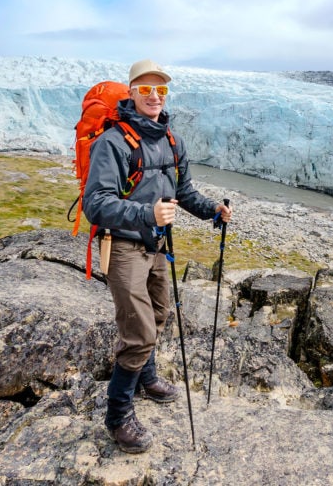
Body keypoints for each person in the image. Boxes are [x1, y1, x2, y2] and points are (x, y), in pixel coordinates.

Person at [83, 58, 232, 453]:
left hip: (157, 246)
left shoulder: (172, 140)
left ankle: (146, 378)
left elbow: (184, 193)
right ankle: (118, 415)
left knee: (160, 313)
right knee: (139, 332)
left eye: (160, 90)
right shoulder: (112, 142)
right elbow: (95, 204)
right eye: (145, 89)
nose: (154, 96)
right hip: (124, 246)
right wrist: (146, 213)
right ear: (131, 92)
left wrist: (212, 210)